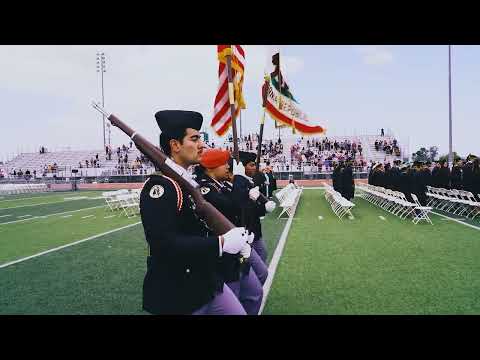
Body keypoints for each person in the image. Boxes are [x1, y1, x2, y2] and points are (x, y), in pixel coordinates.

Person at [140, 110, 253, 315]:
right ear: (175, 145)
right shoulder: (162, 187)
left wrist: (232, 236)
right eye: (194, 138)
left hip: (206, 281)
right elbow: (163, 243)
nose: (202, 144)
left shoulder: (187, 182)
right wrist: (221, 243)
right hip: (178, 292)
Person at [194, 148, 263, 315]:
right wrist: (239, 179)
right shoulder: (205, 189)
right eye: (223, 163)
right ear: (210, 168)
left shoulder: (221, 185)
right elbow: (232, 208)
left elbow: (240, 209)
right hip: (223, 255)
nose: (227, 167)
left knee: (255, 291)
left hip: (238, 246)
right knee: (236, 297)